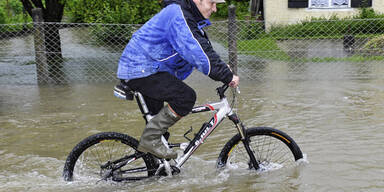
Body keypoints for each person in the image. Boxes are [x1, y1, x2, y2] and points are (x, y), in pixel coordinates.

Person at [117, 0, 239, 159]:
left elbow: (202, 49)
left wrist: (222, 67)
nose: (215, 9)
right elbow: (197, 51)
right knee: (185, 97)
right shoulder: (179, 14)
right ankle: (150, 139)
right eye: (212, 3)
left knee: (160, 133)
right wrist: (227, 76)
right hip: (142, 70)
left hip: (144, 69)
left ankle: (156, 171)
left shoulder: (187, 16)